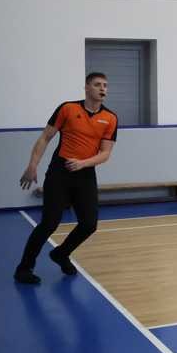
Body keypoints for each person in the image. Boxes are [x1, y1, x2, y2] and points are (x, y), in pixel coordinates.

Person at [15, 73, 119, 285]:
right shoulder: (67, 108)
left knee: (89, 224)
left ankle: (61, 253)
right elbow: (45, 137)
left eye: (105, 85)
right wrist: (32, 165)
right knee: (49, 223)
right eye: (97, 85)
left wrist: (83, 163)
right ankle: (24, 268)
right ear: (87, 88)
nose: (103, 89)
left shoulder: (110, 118)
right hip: (60, 172)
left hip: (85, 173)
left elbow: (105, 153)